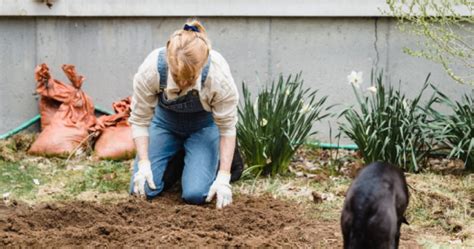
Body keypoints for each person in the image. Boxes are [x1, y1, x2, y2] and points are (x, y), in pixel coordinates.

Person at [128, 20, 239, 209]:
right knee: (143, 190)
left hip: (203, 127)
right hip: (165, 123)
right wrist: (144, 163)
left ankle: (213, 159)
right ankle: (181, 157)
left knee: (196, 194)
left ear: (202, 65)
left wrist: (223, 177)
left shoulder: (218, 76)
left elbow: (227, 128)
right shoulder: (152, 68)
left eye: (188, 79)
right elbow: (139, 119)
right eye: (177, 78)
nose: (182, 84)